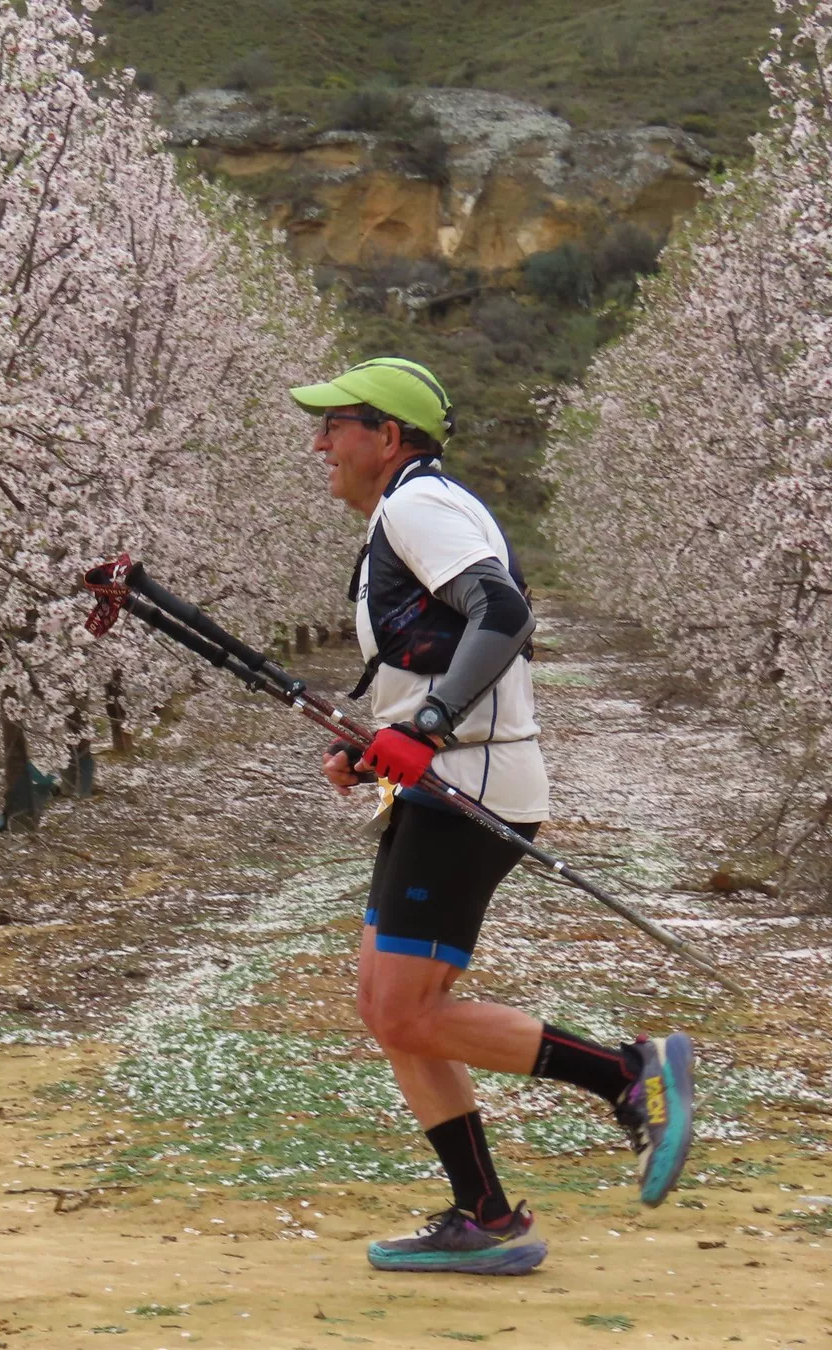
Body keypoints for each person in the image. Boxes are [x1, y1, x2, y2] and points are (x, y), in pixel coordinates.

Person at [288, 357, 695, 1276]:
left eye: (335, 425)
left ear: (385, 436)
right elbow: (445, 645)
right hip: (445, 784)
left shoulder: (416, 507)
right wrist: (379, 738)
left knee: (408, 1011)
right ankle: (483, 1215)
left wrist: (428, 728)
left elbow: (503, 614)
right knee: (388, 1012)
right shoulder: (422, 509)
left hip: (466, 792)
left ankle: (628, 1074)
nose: (320, 444)